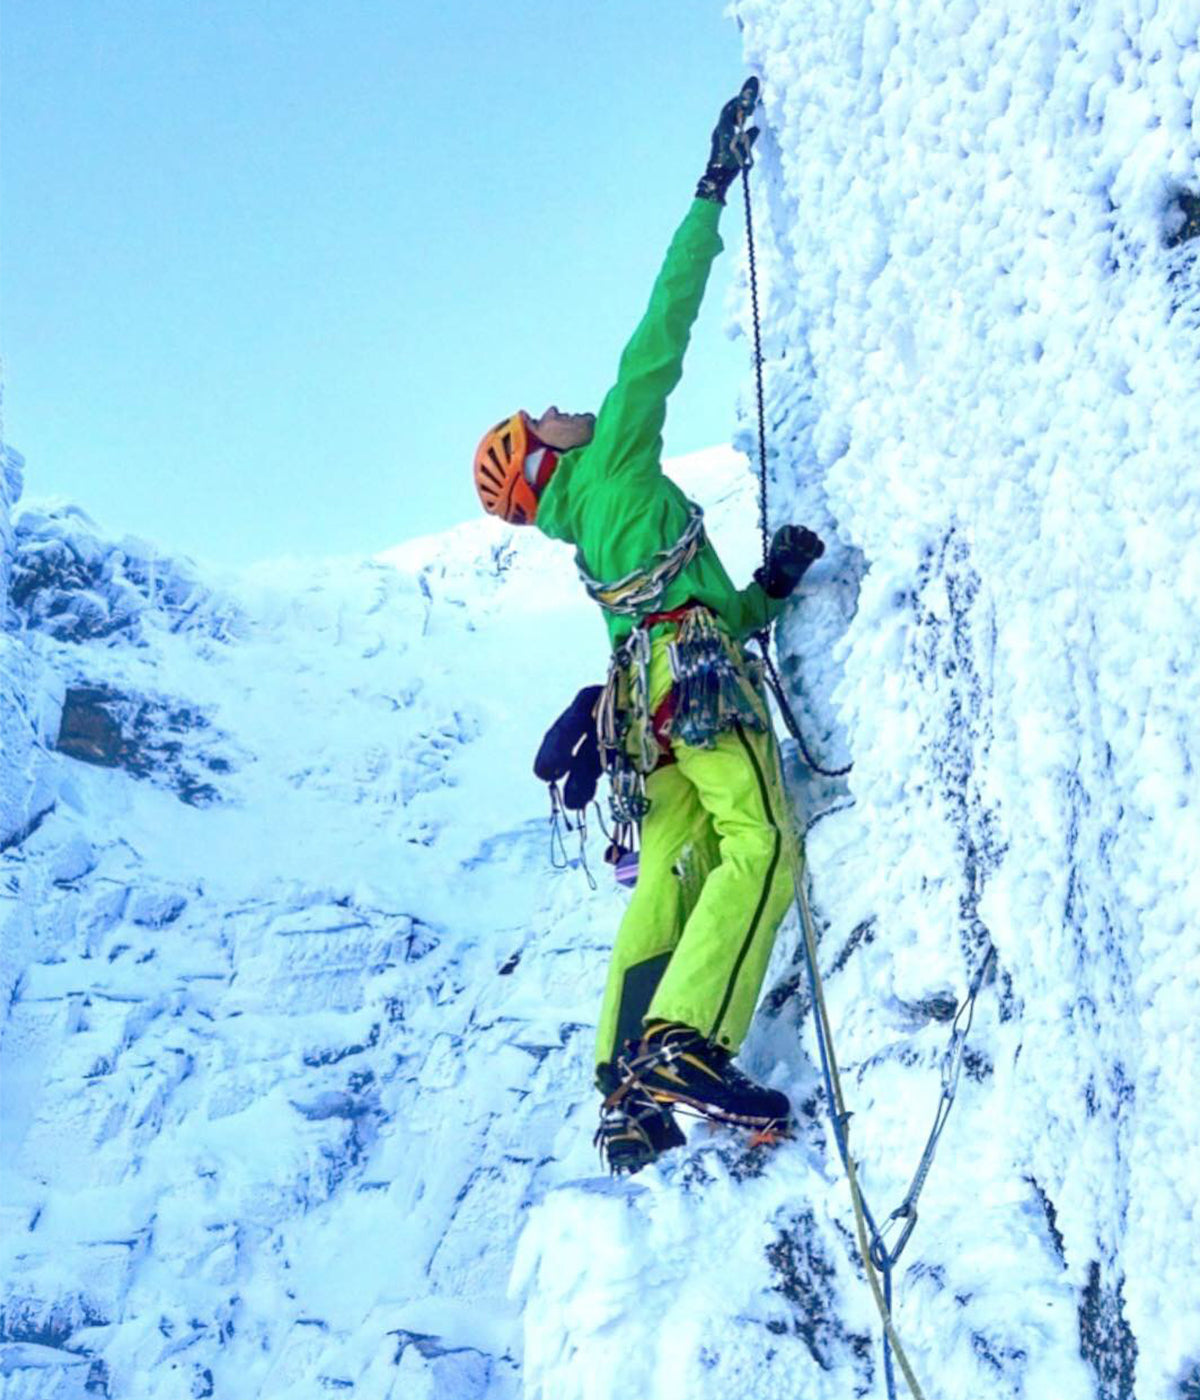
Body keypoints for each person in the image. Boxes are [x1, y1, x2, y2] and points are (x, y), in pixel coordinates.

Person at [472, 80, 824, 1172]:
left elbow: (690, 606)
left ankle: (624, 1087)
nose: (562, 407)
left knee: (678, 871)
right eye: (545, 421)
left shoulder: (594, 538)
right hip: (696, 684)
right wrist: (711, 190)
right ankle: (686, 1045)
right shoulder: (615, 458)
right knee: (761, 843)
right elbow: (659, 331)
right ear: (547, 459)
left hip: (652, 712)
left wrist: (767, 586)